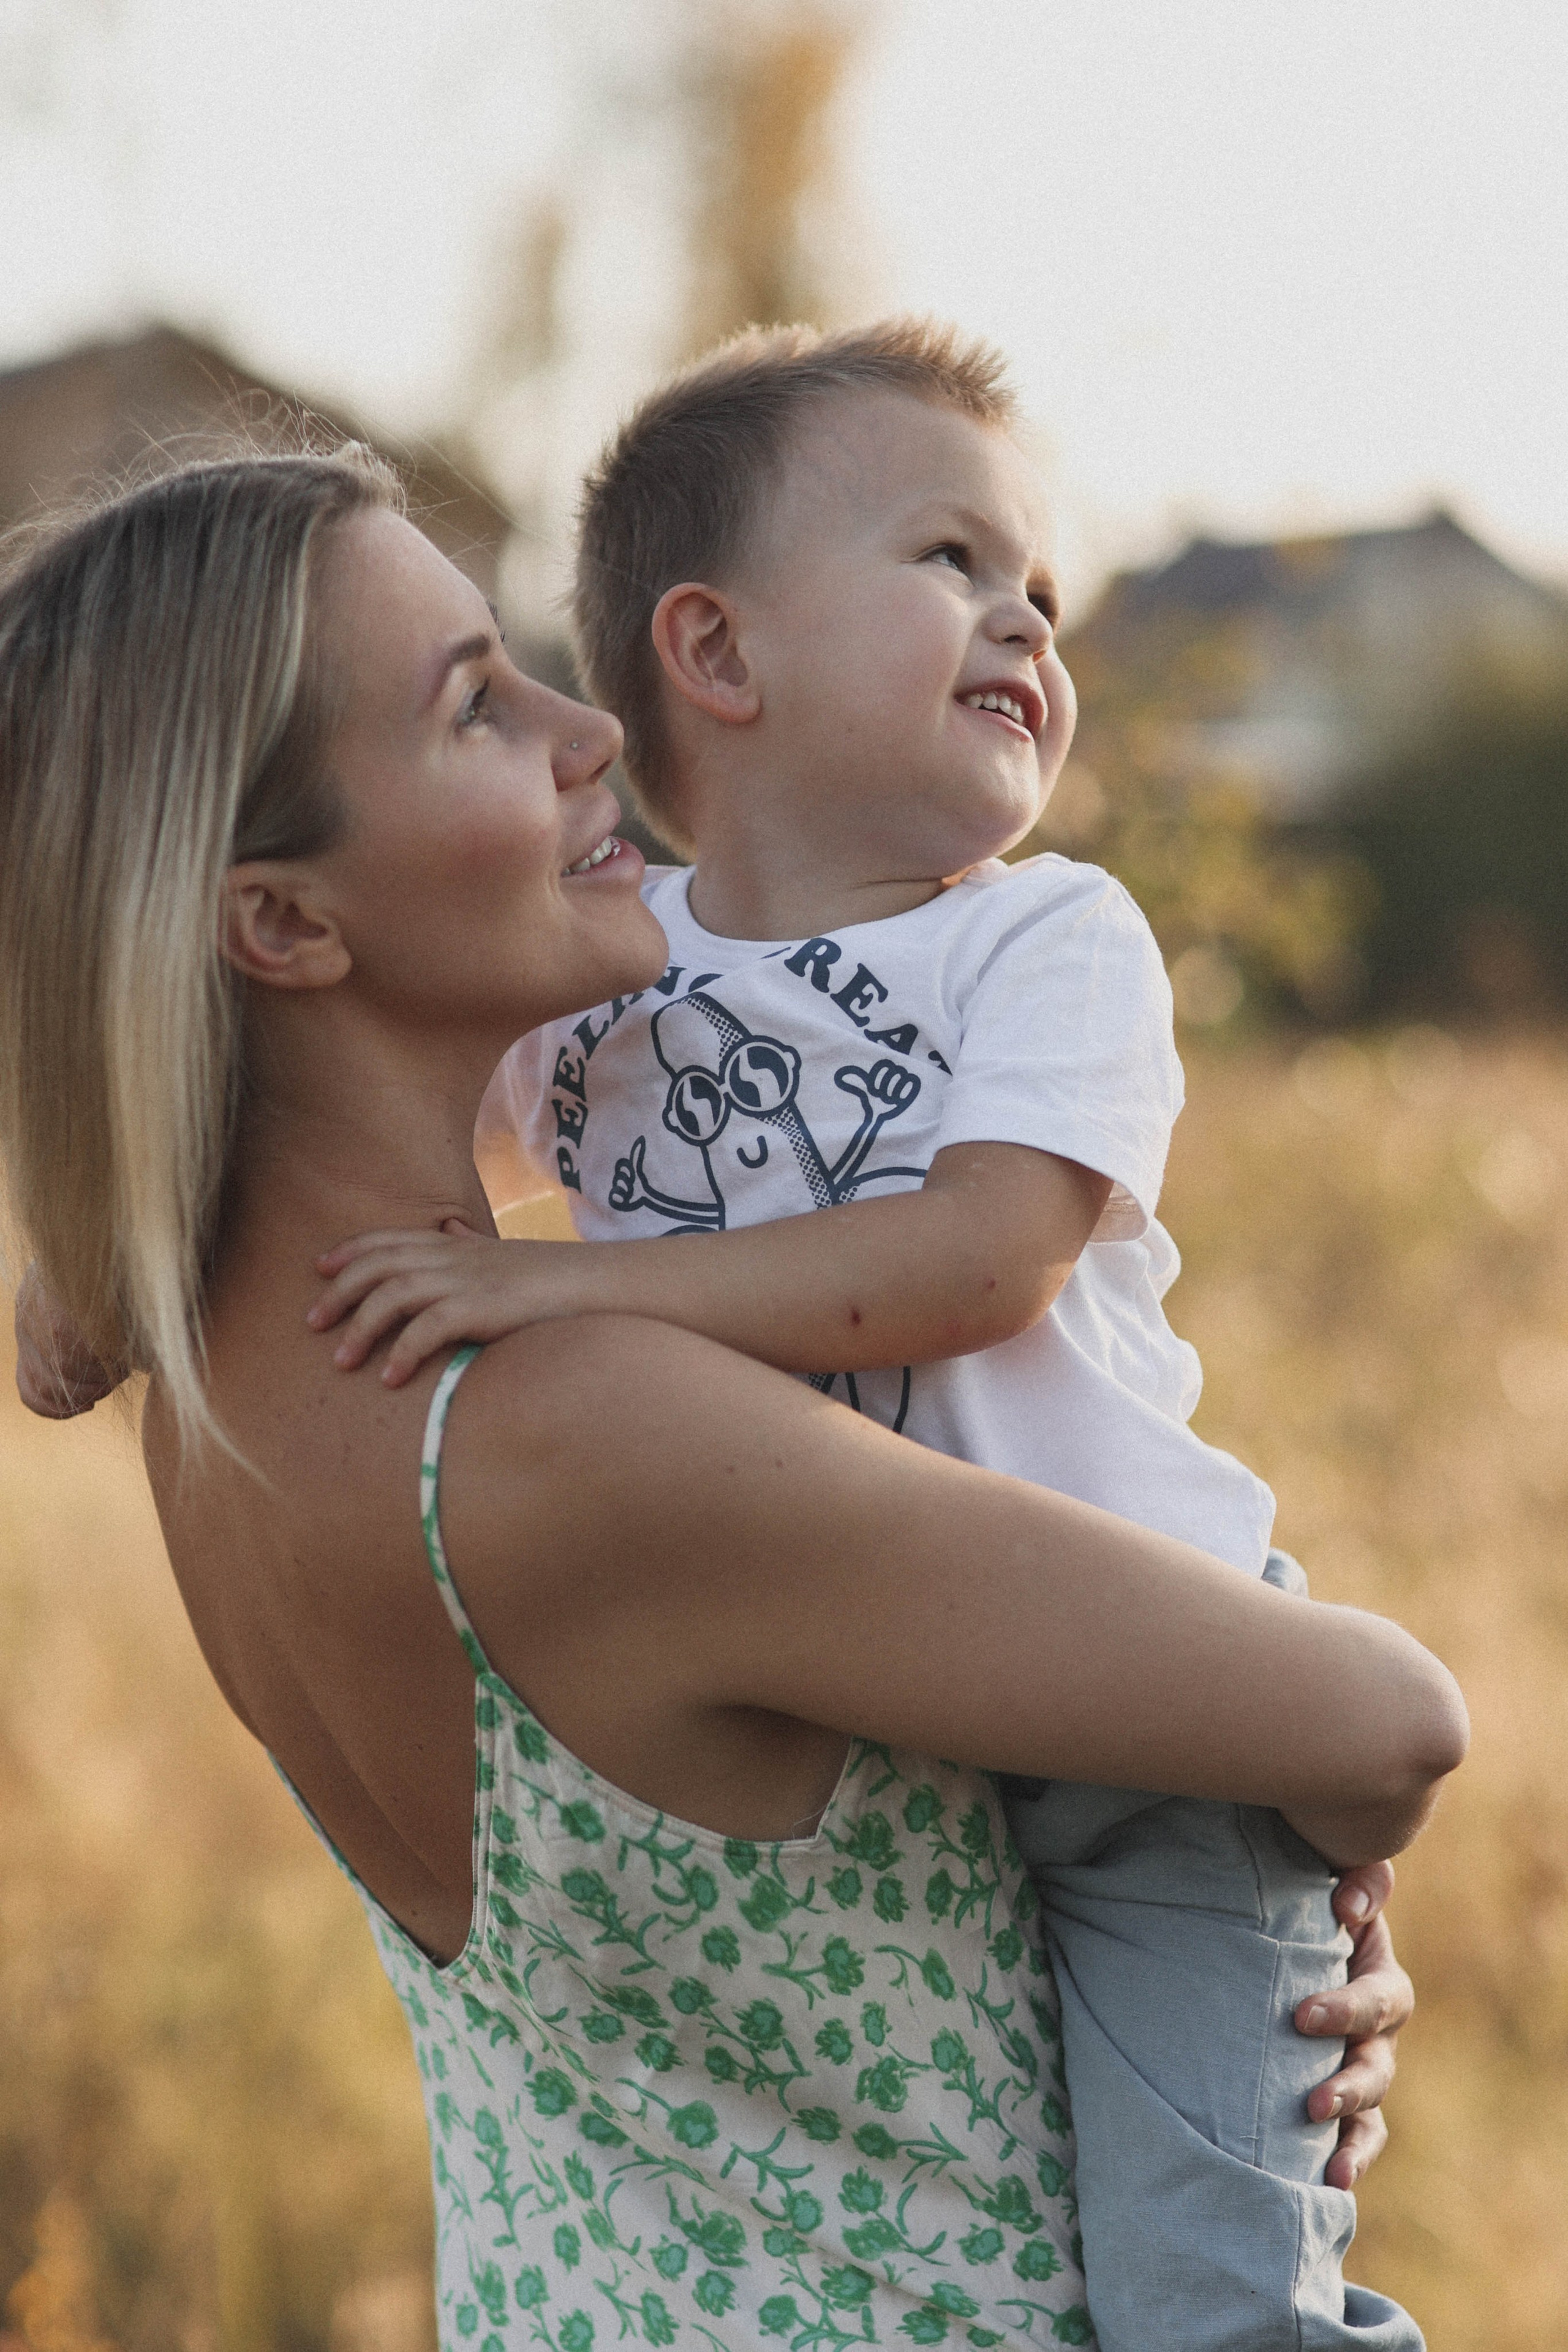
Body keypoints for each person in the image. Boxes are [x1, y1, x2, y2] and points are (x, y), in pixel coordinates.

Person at [1, 448, 1464, 2352]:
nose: (588, 724)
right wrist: (1288, 1877)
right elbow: (1392, 1720)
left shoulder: (223, 1400)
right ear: (280, 926)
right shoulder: (590, 1433)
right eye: (473, 703)